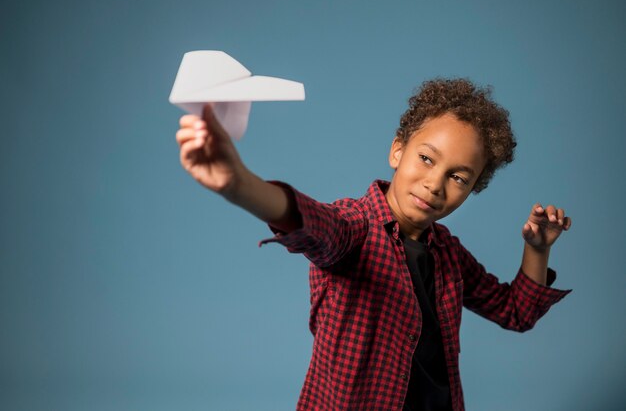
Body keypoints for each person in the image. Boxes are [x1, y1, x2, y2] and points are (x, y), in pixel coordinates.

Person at [175, 78, 572, 411]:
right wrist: (239, 183)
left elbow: (515, 312)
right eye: (427, 159)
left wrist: (537, 249)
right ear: (397, 150)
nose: (435, 184)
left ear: (472, 188)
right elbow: (309, 221)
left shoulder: (449, 253)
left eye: (459, 177)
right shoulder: (354, 228)